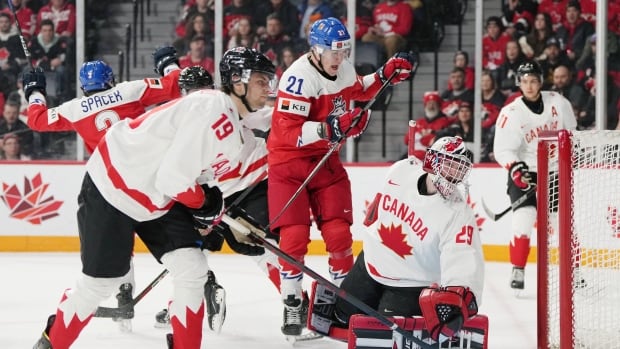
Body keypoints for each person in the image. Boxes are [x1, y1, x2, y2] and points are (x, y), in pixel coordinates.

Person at [30, 46, 277, 349]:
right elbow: (175, 180)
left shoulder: (237, 136)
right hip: (113, 186)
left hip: (154, 196)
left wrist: (217, 219)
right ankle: (49, 343)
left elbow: (192, 180)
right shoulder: (213, 107)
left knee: (192, 268)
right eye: (262, 82)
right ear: (238, 80)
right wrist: (204, 206)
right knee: (100, 284)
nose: (269, 89)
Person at [266, 16, 415, 337]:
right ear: (316, 51)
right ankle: (293, 301)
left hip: (326, 160)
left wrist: (386, 73)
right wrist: (332, 126)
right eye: (334, 52)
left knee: (338, 235)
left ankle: (344, 302)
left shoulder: (342, 68)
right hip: (288, 165)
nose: (341, 57)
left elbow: (360, 90)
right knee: (292, 238)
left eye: (344, 50)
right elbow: (286, 131)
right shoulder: (297, 78)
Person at [330, 136, 484, 344]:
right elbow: (376, 211)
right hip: (370, 265)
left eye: (459, 169)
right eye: (449, 165)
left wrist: (459, 297)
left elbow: (463, 256)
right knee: (341, 316)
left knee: (383, 340)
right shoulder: (401, 171)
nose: (454, 176)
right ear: (433, 162)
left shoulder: (457, 212)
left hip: (410, 285)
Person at [493, 60, 577, 291]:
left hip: (553, 172)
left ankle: (574, 270)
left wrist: (565, 162)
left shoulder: (559, 103)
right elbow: (502, 149)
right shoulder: (510, 113)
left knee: (562, 223)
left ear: (540, 82)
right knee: (524, 218)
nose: (529, 86)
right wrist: (514, 167)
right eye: (525, 82)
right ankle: (518, 269)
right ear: (519, 83)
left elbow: (571, 135)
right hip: (524, 173)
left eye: (533, 81)